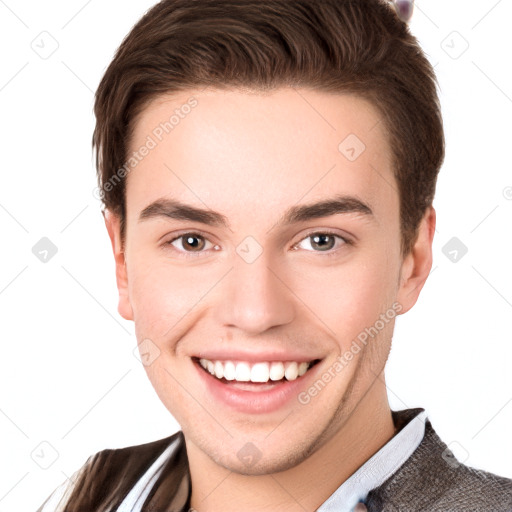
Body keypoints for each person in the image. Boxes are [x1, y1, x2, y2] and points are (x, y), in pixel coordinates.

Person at [37, 0, 512, 510]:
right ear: (123, 261)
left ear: (412, 259)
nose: (255, 313)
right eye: (192, 241)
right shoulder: (91, 491)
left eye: (321, 241)